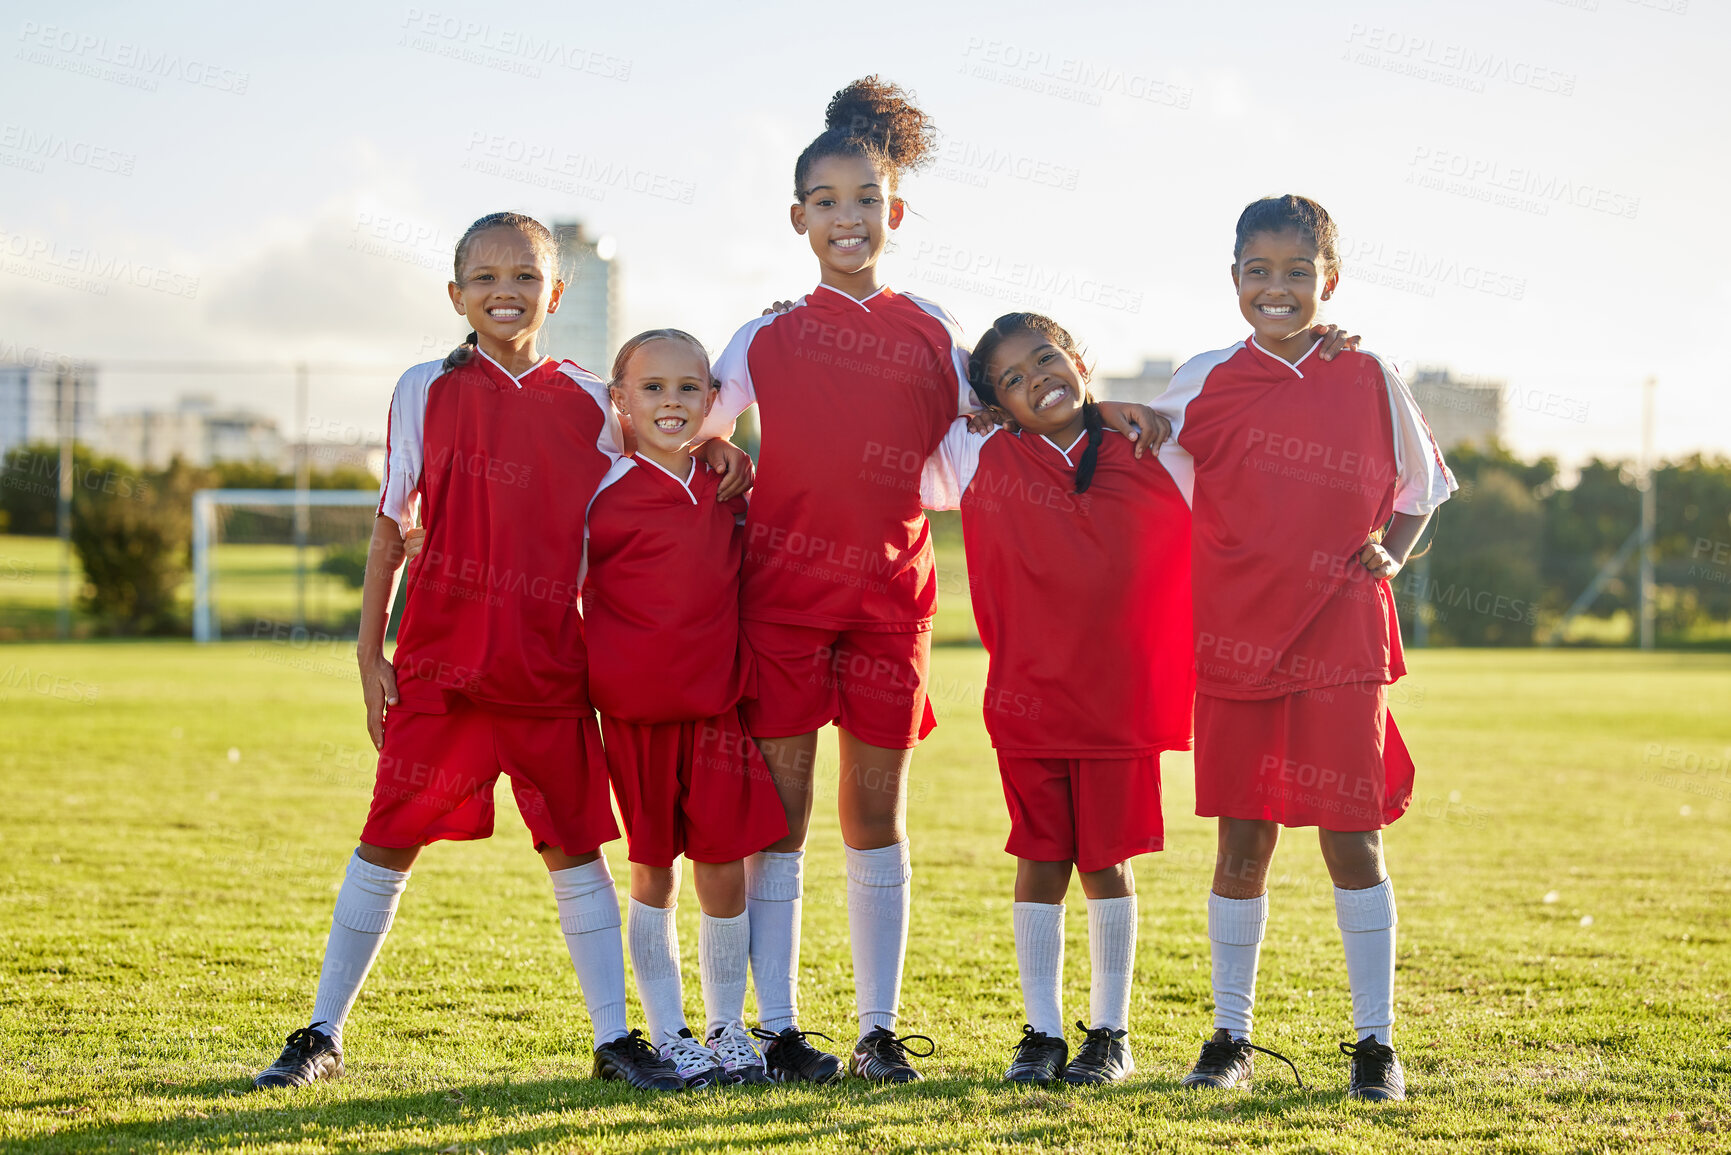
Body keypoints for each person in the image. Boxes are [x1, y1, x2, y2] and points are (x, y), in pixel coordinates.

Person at [696, 77, 1165, 1084]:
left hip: (887, 603)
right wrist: (726, 462)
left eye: (864, 200)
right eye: (825, 202)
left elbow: (1003, 423)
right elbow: (688, 436)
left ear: (894, 212)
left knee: (875, 816)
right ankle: (779, 1028)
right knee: (780, 818)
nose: (846, 219)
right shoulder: (761, 335)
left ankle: (876, 1028)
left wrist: (1103, 409)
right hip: (777, 601)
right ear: (797, 219)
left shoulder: (934, 334)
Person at [253, 212, 745, 1093]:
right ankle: (321, 1031)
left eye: (523, 275)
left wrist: (722, 449)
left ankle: (613, 1040)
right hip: (442, 666)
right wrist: (370, 652)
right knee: (385, 841)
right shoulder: (421, 388)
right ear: (457, 296)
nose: (504, 291)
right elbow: (390, 525)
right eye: (484, 278)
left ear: (555, 293)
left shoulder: (598, 400)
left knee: (575, 848)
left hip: (552, 666)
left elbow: (670, 437)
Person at [1155, 195, 1456, 1101]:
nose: (1276, 288)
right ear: (1234, 278)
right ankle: (1229, 1036)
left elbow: (1423, 485)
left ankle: (1374, 1045)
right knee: (1241, 842)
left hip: (1341, 637)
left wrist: (1388, 555)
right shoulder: (1201, 378)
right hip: (1235, 640)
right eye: (1258, 271)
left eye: (1296, 272)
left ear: (1328, 279)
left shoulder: (1367, 370)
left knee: (1350, 840)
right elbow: (1127, 444)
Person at [922, 313, 1193, 1085]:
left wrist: (1109, 410)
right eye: (1010, 378)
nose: (1035, 379)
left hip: (1121, 703)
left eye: (1045, 359)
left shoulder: (1148, 445)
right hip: (1027, 698)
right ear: (992, 404)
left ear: (1078, 358)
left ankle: (1108, 1032)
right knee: (1039, 856)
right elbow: (893, 402)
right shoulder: (976, 450)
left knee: (1106, 862)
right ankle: (1040, 1032)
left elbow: (1225, 415)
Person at [583, 329, 789, 1086]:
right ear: (621, 401)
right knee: (652, 870)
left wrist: (728, 452)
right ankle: (668, 1031)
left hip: (716, 712)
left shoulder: (728, 483)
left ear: (712, 400)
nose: (671, 401)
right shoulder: (599, 492)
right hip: (634, 716)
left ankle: (728, 1029)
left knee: (725, 868)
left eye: (687, 388)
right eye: (652, 388)